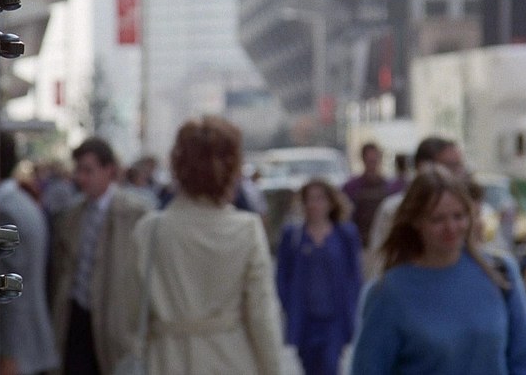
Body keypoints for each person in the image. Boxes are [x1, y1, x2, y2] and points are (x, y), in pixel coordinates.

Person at [128, 116, 283, 374]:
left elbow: (131, 314)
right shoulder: (246, 230)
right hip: (231, 360)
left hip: (166, 360)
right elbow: (261, 315)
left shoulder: (149, 230)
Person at [350, 165, 526, 375]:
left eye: (458, 216)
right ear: (416, 221)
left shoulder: (499, 272)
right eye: (437, 219)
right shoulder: (389, 292)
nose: (451, 228)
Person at [47, 137, 152, 375]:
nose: (81, 178)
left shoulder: (135, 213)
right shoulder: (71, 216)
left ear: (109, 171)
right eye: (79, 170)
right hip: (76, 318)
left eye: (88, 170)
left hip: (114, 322)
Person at [277, 179, 362, 375]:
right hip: (305, 319)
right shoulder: (293, 236)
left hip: (334, 319)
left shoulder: (344, 234)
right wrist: (288, 304)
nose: (313, 205)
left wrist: (352, 309)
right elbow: (282, 275)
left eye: (319, 199)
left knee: (330, 365)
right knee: (310, 367)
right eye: (309, 199)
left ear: (330, 203)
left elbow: (354, 276)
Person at [0, 132, 59, 375]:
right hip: (29, 342)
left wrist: (9, 352)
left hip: (18, 349)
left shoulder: (6, 211)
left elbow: (10, 286)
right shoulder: (21, 202)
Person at [364, 136, 464, 278]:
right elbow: (380, 262)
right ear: (424, 166)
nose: (458, 172)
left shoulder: (465, 207)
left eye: (459, 165)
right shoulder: (393, 209)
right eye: (450, 165)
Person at [342, 142, 402, 248]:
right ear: (363, 160)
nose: (372, 164)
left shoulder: (391, 187)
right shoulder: (352, 187)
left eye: (375, 160)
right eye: (369, 160)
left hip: (384, 242)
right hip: (360, 243)